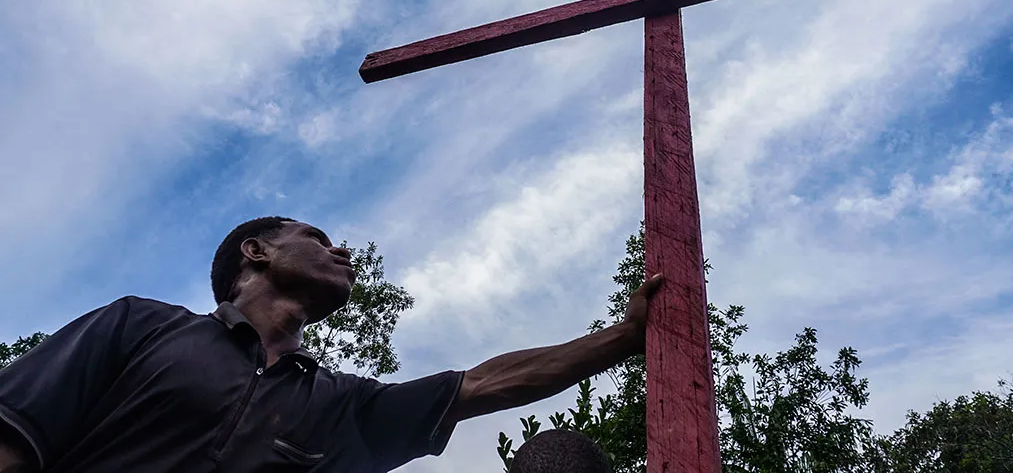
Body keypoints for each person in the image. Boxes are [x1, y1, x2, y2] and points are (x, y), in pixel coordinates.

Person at [0, 217, 663, 472]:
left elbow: (485, 384)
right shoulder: (141, 327)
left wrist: (626, 337)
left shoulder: (342, 404)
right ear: (256, 252)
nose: (341, 248)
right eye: (316, 238)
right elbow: (14, 438)